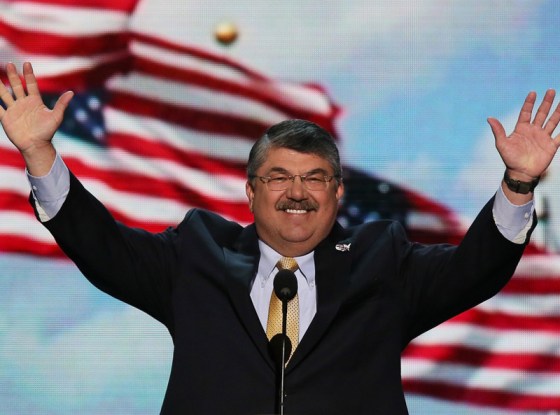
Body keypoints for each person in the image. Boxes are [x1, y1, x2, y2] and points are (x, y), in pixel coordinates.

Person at [1, 62, 559, 415]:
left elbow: (476, 269)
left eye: (315, 178)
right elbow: (103, 247)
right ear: (250, 192)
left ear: (337, 193)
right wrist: (39, 155)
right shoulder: (196, 253)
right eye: (279, 178)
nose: (298, 192)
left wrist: (518, 183)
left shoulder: (382, 262)